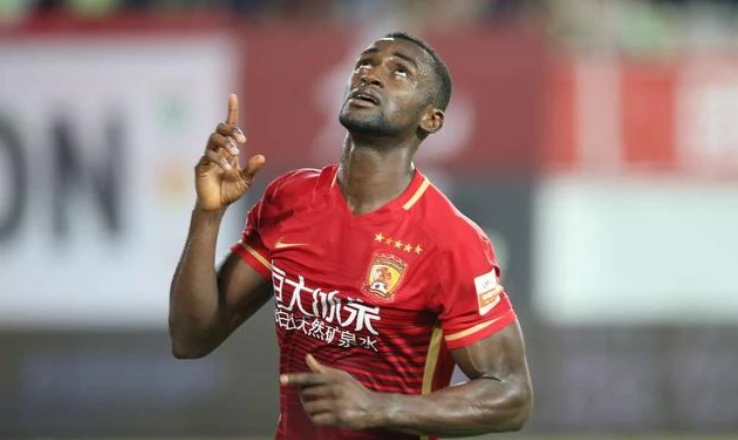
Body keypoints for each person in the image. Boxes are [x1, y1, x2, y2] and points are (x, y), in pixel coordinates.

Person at [169, 32, 533, 440]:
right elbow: (191, 338)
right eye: (365, 63)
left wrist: (378, 407)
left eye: (399, 71)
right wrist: (208, 214)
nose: (371, 75)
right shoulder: (290, 199)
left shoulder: (452, 241)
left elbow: (512, 396)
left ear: (431, 119)